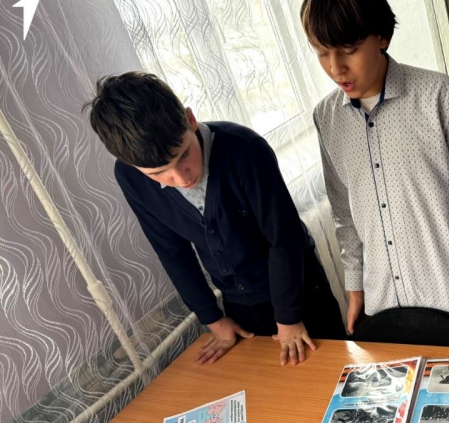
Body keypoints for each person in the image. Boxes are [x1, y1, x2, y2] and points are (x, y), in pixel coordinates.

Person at [300, 0, 449, 348]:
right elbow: (345, 215)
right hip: (383, 306)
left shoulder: (439, 96)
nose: (335, 68)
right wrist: (356, 288)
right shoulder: (326, 118)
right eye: (322, 53)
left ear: (382, 36)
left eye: (348, 50)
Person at [83, 72, 346, 366]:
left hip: (298, 288)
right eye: (159, 174)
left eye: (184, 155)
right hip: (238, 303)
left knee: (332, 369)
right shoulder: (131, 177)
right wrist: (213, 318)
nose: (181, 177)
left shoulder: (244, 149)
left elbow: (284, 238)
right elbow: (172, 252)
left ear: (190, 120)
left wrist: (288, 318)